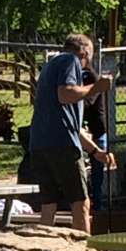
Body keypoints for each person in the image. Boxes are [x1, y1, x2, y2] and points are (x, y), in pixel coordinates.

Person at [29, 34, 115, 233]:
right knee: (81, 204)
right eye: (89, 58)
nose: (87, 65)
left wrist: (96, 152)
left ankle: (39, 250)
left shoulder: (50, 66)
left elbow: (70, 124)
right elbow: (66, 94)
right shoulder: (71, 60)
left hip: (39, 145)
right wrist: (96, 87)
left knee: (49, 206)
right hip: (63, 146)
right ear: (84, 51)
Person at [83, 65, 107, 211]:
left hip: (96, 129)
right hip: (81, 129)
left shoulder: (91, 77)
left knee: (98, 167)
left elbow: (87, 102)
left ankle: (97, 203)